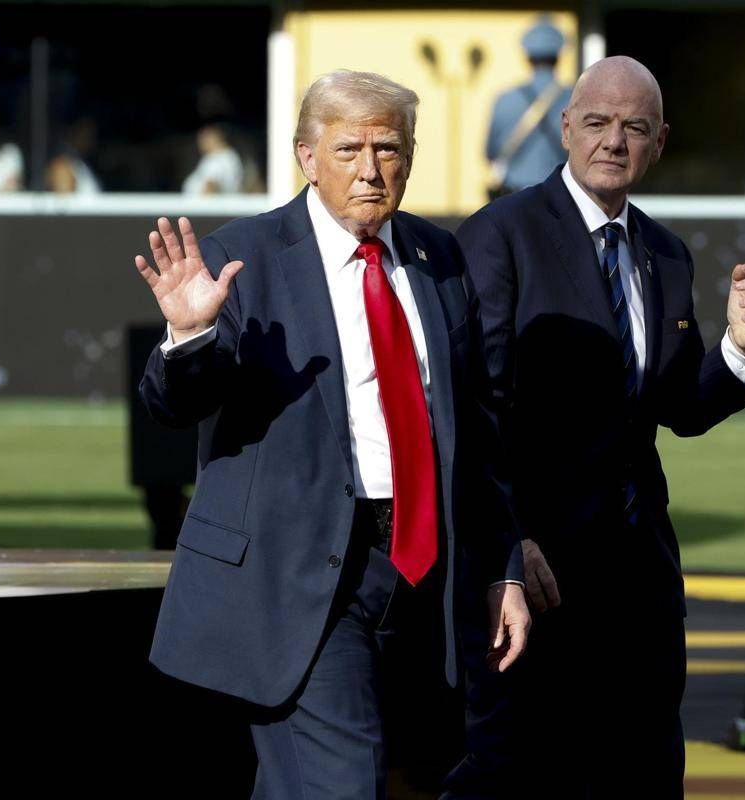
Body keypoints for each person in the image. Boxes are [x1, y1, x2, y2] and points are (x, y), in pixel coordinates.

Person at [132, 70, 529, 799]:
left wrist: (503, 565)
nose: (370, 170)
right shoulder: (242, 257)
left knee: (379, 779)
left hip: (417, 575)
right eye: (349, 149)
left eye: (389, 149)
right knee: (345, 783)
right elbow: (172, 405)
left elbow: (475, 429)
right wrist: (189, 339)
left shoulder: (438, 258)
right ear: (307, 157)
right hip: (300, 574)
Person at [444, 56, 745, 798]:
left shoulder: (667, 254)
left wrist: (739, 349)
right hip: (537, 578)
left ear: (660, 141)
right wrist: (508, 543)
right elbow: (476, 407)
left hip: (640, 584)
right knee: (517, 776)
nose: (613, 141)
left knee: (646, 774)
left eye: (634, 127)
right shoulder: (501, 234)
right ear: (565, 129)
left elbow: (680, 407)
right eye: (596, 122)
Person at [484, 18, 571, 198]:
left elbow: (490, 152)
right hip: (558, 196)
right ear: (558, 57)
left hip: (513, 197)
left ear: (528, 57)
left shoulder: (505, 99)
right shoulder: (574, 98)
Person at [181, 123, 243, 195]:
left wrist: (202, 200)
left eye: (202, 139)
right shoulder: (228, 156)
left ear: (212, 138)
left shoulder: (218, 159)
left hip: (204, 202)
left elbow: (211, 186)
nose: (199, 143)